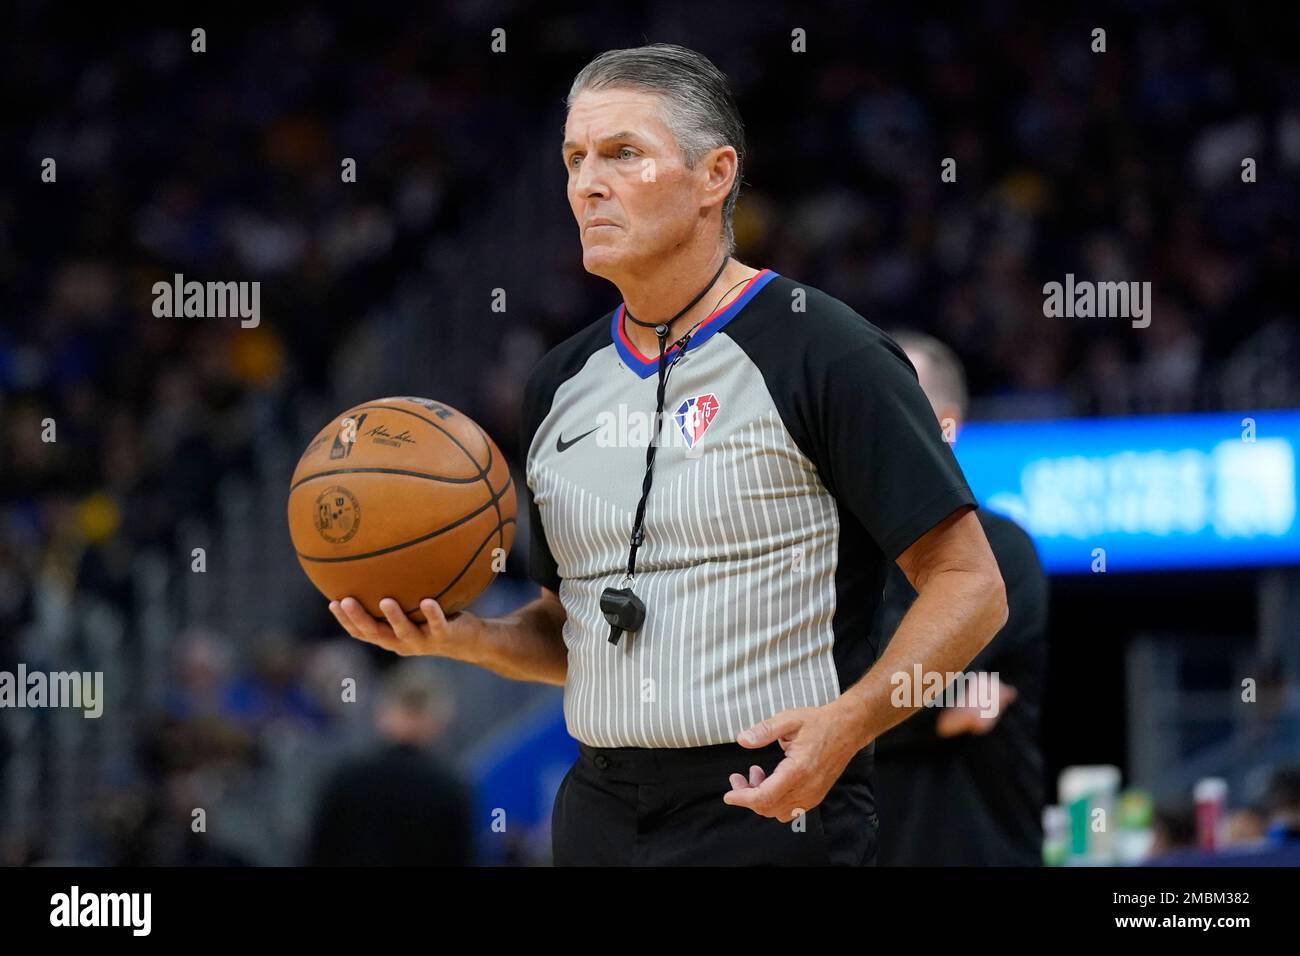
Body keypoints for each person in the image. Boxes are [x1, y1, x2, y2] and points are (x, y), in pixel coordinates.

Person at [329, 43, 1007, 866]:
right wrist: (458, 639)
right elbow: (569, 632)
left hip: (772, 802)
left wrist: (851, 721)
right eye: (575, 159)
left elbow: (970, 585)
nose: (587, 183)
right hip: (597, 814)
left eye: (623, 154)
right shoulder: (557, 383)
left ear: (714, 176)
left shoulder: (826, 351)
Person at [871, 332, 1050, 866]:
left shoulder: (1004, 550)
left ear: (947, 421)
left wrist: (856, 714)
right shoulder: (834, 550)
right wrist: (931, 712)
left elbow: (892, 688)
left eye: (897, 396)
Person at [306, 662, 472, 866]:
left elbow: (319, 853)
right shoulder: (451, 789)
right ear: (440, 719)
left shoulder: (348, 778)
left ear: (384, 712)